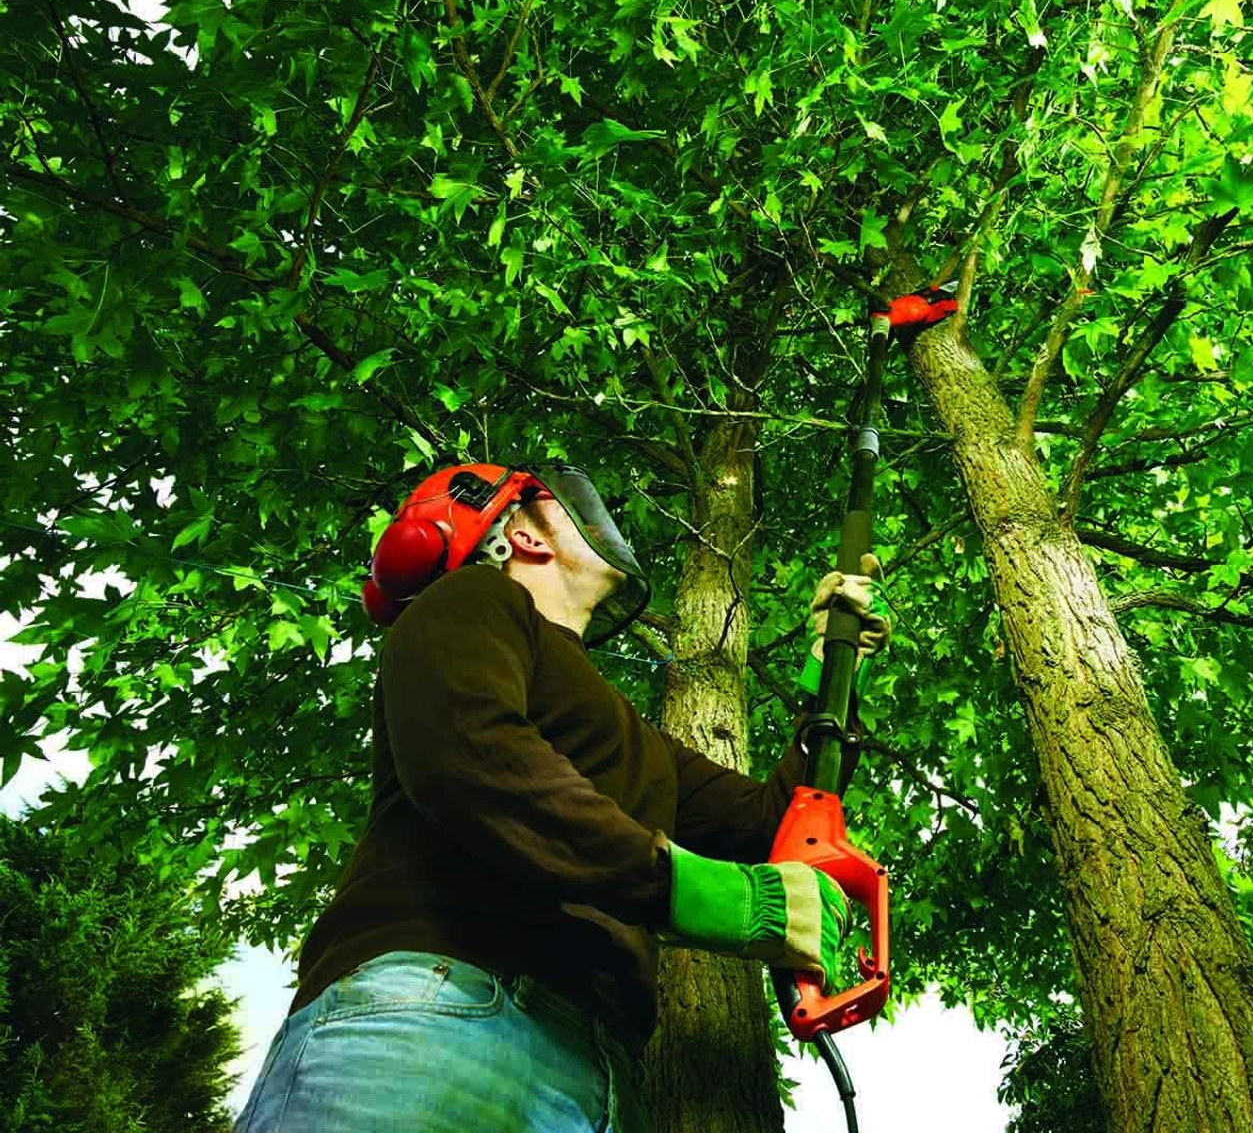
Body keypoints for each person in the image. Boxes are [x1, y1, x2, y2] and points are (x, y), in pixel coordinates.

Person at [232, 463, 889, 1132]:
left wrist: (834, 667)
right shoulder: (468, 603)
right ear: (523, 536)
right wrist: (691, 891)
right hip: (436, 1011)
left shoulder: (635, 739)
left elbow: (773, 825)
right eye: (561, 503)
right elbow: (475, 759)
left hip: (599, 1065)